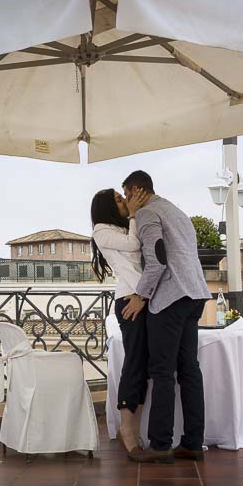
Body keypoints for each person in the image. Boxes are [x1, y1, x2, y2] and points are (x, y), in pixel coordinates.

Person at [120, 170, 211, 463]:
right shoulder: (177, 211)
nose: (125, 202)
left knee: (162, 373)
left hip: (170, 298)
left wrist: (140, 296)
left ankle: (161, 444)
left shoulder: (147, 213)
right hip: (195, 294)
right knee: (189, 370)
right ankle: (193, 443)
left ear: (135, 191)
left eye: (125, 195)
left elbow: (157, 260)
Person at [90, 187, 150, 452]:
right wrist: (135, 214)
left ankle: (133, 426)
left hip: (141, 297)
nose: (124, 201)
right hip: (130, 300)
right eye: (118, 199)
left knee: (143, 364)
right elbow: (134, 246)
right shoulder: (102, 231)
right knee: (135, 363)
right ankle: (127, 429)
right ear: (107, 207)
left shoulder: (121, 228)